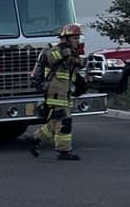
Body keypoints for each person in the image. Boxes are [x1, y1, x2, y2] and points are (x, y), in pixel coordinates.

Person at [30, 24, 88, 160]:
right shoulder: (55, 51)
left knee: (54, 124)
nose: (77, 41)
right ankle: (64, 152)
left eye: (78, 38)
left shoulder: (72, 54)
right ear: (66, 38)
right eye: (75, 38)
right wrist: (65, 53)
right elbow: (50, 56)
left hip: (64, 94)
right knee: (65, 121)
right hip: (55, 95)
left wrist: (82, 83)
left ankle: (34, 140)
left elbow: (72, 73)